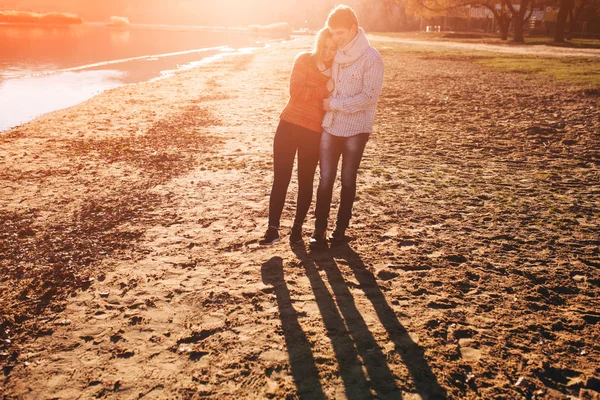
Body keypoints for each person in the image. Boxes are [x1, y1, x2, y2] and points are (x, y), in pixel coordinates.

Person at [310, 5, 385, 248]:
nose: (336, 38)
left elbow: (369, 97)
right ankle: (318, 231)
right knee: (325, 179)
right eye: (333, 32)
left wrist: (333, 104)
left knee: (348, 180)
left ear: (353, 29)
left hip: (356, 128)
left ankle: (340, 230)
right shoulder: (336, 54)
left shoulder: (372, 58)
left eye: (340, 32)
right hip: (331, 127)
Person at [259, 28, 338, 245]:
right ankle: (272, 230)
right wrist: (324, 88)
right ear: (319, 43)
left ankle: (297, 229)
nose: (328, 53)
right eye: (325, 47)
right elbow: (296, 92)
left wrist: (320, 91)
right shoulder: (303, 60)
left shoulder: (337, 71)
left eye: (333, 49)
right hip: (288, 126)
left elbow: (327, 103)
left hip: (313, 133)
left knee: (306, 182)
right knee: (281, 179)